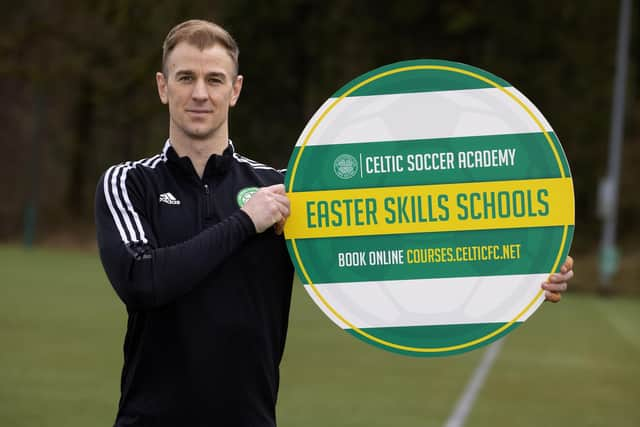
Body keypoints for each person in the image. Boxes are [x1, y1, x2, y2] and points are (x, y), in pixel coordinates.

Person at [95, 19, 574, 427]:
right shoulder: (128, 183)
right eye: (185, 77)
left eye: (215, 79)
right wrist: (246, 221)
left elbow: (393, 250)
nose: (200, 93)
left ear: (235, 90)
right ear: (163, 86)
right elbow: (144, 281)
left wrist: (527, 269)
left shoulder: (285, 191)